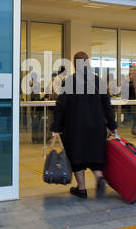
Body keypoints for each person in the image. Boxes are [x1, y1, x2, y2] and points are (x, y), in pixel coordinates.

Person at [50, 51, 118, 199]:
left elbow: (60, 106)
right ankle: (99, 177)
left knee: (77, 157)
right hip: (97, 127)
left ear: (75, 65)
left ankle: (82, 189)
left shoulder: (70, 82)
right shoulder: (98, 81)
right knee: (95, 156)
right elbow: (107, 106)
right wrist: (112, 125)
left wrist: (57, 127)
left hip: (76, 128)